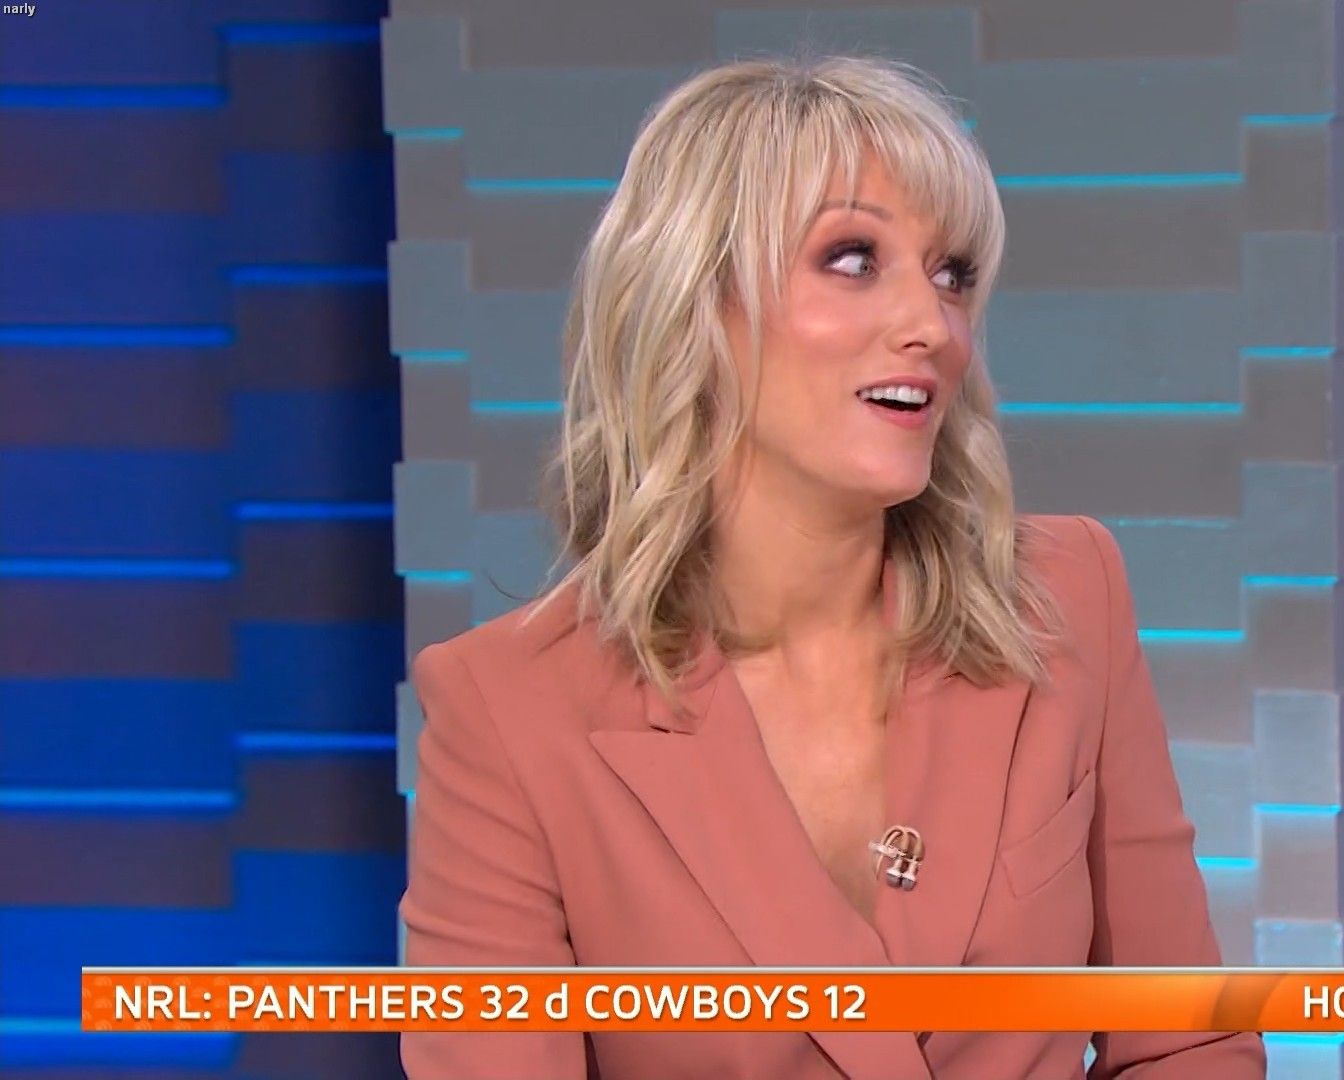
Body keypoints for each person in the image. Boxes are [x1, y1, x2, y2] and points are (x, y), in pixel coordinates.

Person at [398, 53, 1265, 1079]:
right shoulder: (510, 711)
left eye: (951, 276)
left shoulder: (1068, 597)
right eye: (854, 259)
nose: (931, 327)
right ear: (693, 302)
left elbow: (1186, 1040)